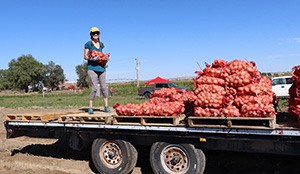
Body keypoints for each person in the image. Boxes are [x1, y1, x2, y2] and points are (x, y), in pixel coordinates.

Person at [84, 27, 110, 114]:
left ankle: (106, 106)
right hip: (92, 68)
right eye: (94, 33)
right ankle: (90, 107)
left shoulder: (101, 44)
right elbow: (85, 56)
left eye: (97, 33)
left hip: (101, 68)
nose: (96, 34)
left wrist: (106, 58)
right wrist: (92, 58)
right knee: (94, 88)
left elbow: (101, 55)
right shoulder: (88, 44)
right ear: (91, 34)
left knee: (104, 88)